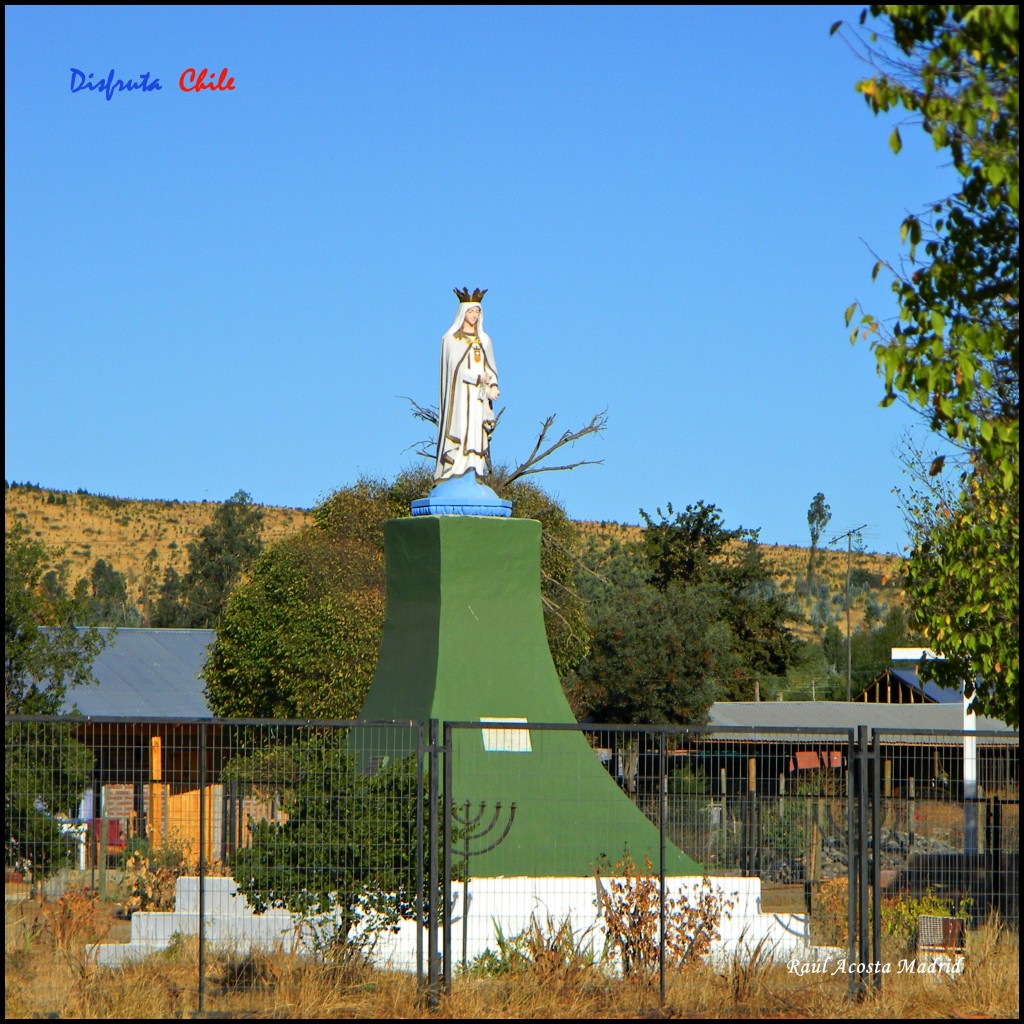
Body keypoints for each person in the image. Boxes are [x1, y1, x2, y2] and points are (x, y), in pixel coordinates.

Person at [434, 288, 500, 481]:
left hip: (478, 396)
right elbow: (454, 369)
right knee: (461, 426)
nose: (474, 315)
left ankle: (475, 467)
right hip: (461, 395)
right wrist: (476, 377)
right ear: (463, 313)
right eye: (471, 311)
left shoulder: (484, 339)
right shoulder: (452, 339)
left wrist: (492, 385)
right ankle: (455, 467)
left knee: (476, 429)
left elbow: (491, 366)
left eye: (477, 311)